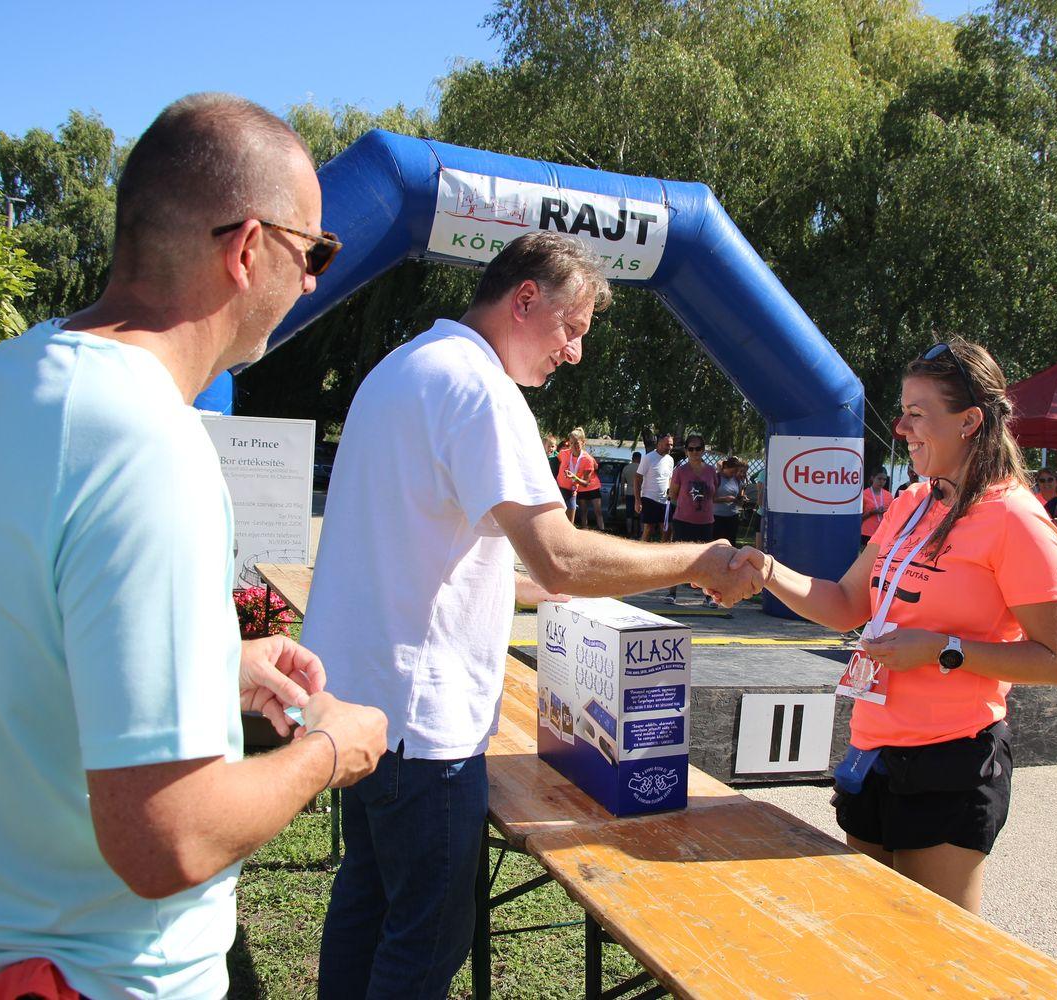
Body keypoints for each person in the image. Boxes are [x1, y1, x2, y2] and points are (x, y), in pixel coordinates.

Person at [0, 94, 389, 999]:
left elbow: (2, 648)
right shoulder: (148, 446)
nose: (313, 284)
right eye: (315, 253)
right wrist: (330, 751)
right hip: (100, 978)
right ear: (248, 249)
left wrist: (211, 666)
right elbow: (169, 839)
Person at [302, 233, 764, 999]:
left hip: (357, 702)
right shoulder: (482, 390)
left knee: (367, 900)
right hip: (422, 726)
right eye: (571, 327)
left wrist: (524, 592)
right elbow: (561, 556)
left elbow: (424, 544)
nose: (575, 352)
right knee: (426, 937)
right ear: (525, 299)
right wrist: (698, 561)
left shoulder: (405, 367)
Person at [729, 338, 1057, 914]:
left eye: (917, 413)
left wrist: (943, 650)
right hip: (874, 748)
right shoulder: (912, 502)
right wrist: (767, 570)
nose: (900, 427)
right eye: (902, 411)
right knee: (868, 931)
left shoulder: (1016, 518)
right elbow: (847, 603)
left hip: (952, 759)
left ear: (969, 421)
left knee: (932, 948)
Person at [665, 434, 719, 603]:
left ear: (703, 450)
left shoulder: (711, 471)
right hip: (683, 520)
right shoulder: (680, 471)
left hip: (705, 521)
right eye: (691, 449)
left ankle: (708, 596)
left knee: (706, 560)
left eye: (698, 448)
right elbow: (673, 494)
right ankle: (672, 593)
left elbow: (714, 493)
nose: (695, 452)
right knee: (678, 558)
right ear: (686, 451)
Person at [557, 427, 604, 529]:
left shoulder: (587, 459)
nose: (574, 446)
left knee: (569, 526)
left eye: (577, 443)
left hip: (571, 493)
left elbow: (586, 483)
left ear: (583, 442)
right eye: (571, 443)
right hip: (559, 490)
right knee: (556, 523)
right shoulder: (563, 453)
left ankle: (600, 529)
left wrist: (574, 478)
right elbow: (553, 461)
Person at [635, 431, 676, 541]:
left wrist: (671, 492)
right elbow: (637, 478)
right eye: (667, 444)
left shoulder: (670, 459)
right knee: (649, 528)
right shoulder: (648, 458)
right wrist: (637, 500)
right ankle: (641, 549)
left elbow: (669, 478)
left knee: (667, 529)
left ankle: (663, 550)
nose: (670, 447)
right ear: (659, 443)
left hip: (665, 500)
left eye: (671, 445)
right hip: (649, 498)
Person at [712, 455, 749, 545]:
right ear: (725, 467)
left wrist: (742, 499)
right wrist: (725, 499)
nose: (733, 474)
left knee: (731, 543)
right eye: (732, 472)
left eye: (735, 472)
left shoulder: (737, 480)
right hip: (717, 517)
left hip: (732, 517)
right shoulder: (717, 478)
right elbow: (710, 499)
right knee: (716, 544)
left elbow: (739, 498)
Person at [860, 470, 894, 549]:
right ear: (872, 478)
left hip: (883, 533)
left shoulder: (888, 495)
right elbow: (858, 519)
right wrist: (871, 513)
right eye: (879, 479)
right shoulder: (864, 494)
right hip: (866, 534)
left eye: (884, 479)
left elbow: (893, 516)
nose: (882, 482)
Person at [625, 449, 644, 536]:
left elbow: (622, 482)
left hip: (629, 492)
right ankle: (640, 532)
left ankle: (629, 532)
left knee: (629, 514)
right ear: (640, 458)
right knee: (640, 513)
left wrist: (622, 494)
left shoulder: (626, 468)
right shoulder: (641, 468)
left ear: (632, 458)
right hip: (640, 493)